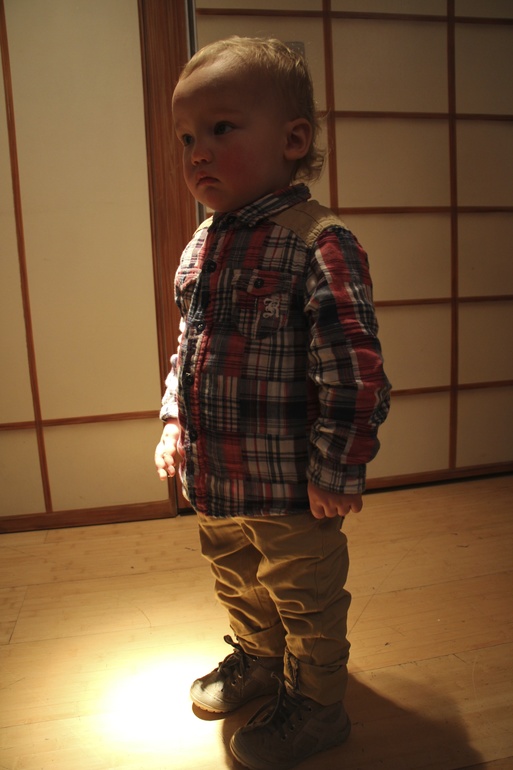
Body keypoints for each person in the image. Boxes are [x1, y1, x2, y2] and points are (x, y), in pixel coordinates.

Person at [154, 36, 391, 770]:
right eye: (186, 137)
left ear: (293, 140)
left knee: (306, 597)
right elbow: (187, 348)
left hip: (291, 487)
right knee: (237, 581)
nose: (197, 151)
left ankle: (317, 707)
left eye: (221, 128)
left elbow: (354, 372)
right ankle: (258, 659)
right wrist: (172, 420)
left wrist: (337, 470)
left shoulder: (319, 243)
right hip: (215, 479)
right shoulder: (201, 245)